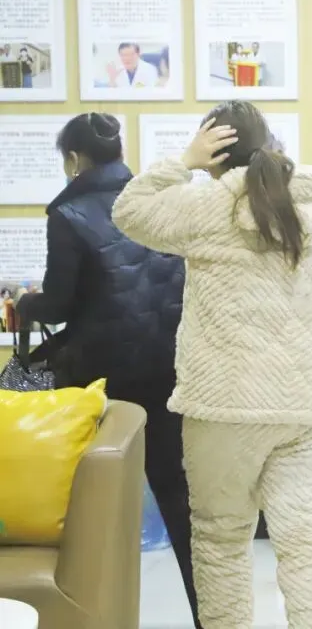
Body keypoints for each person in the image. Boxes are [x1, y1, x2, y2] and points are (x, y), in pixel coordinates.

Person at [112, 100, 312, 628]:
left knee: (221, 540)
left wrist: (184, 160)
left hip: (223, 405)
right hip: (307, 404)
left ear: (215, 150)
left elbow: (129, 210)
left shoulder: (206, 205)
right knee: (309, 545)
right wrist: (303, 324)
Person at [14, 113, 198, 626]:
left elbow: (60, 304)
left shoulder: (68, 215)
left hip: (100, 384)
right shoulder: (154, 200)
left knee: (90, 511)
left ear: (74, 159)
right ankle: (213, 617)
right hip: (168, 370)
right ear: (119, 152)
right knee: (182, 506)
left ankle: (91, 617)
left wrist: (27, 303)